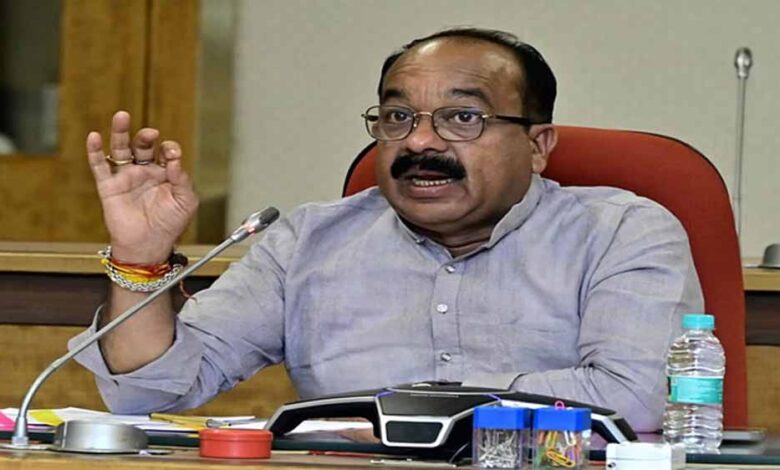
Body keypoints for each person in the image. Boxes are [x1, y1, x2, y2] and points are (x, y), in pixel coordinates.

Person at [70, 28, 703, 432]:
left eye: (462, 117)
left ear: (538, 146)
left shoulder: (622, 232)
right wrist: (141, 257)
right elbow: (150, 390)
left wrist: (410, 410)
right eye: (397, 117)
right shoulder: (308, 242)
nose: (420, 142)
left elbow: (637, 395)